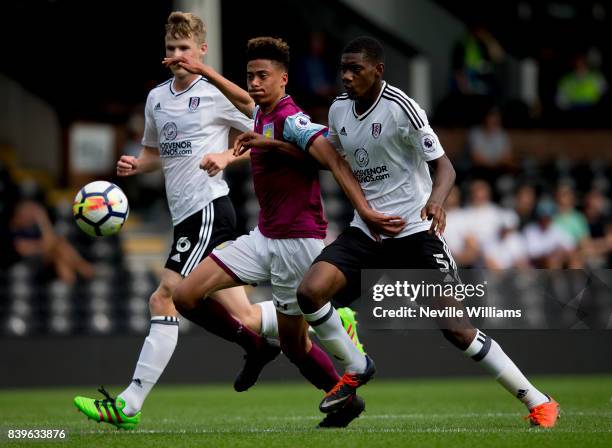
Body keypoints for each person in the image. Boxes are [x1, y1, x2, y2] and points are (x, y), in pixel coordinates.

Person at [296, 36, 559, 428]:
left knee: (457, 330)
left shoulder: (402, 107)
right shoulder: (338, 110)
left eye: (356, 69)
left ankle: (538, 400)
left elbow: (446, 166)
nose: (346, 77)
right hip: (366, 233)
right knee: (309, 293)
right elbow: (333, 159)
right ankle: (355, 363)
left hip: (415, 233)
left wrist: (436, 201)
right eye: (343, 69)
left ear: (377, 70)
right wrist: (280, 148)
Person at [164, 36, 404, 428]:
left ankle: (345, 400)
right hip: (264, 237)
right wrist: (204, 72)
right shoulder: (261, 113)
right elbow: (245, 106)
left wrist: (365, 211)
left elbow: (332, 160)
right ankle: (255, 345)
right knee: (186, 295)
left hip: (297, 243)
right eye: (250, 76)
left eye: (262, 76)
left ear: (283, 80)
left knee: (295, 346)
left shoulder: (291, 118)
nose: (255, 83)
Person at [73, 12, 285, 430]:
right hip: (185, 215)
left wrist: (225, 156)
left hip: (208, 210)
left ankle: (128, 405)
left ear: (201, 51)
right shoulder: (157, 98)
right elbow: (157, 153)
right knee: (243, 314)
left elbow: (257, 134)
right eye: (171, 49)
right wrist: (138, 163)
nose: (177, 55)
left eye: (185, 48)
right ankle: (323, 314)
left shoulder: (214, 92)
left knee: (163, 297)